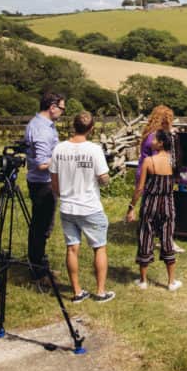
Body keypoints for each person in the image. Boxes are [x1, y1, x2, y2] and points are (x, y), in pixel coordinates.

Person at [50, 111, 114, 303]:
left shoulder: (59, 149)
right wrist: (105, 180)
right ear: (91, 129)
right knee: (99, 247)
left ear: (73, 126)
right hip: (90, 206)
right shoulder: (94, 150)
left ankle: (77, 292)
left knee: (71, 249)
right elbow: (103, 179)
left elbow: (54, 181)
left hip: (68, 207)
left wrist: (63, 195)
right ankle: (100, 292)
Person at [126, 129, 180, 291]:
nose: (151, 142)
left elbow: (140, 188)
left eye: (154, 139)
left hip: (150, 205)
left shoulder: (149, 161)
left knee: (145, 238)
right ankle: (171, 282)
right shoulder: (174, 161)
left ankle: (143, 281)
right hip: (168, 205)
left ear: (161, 143)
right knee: (167, 239)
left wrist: (131, 207)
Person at [24, 91, 65, 282]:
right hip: (42, 184)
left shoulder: (43, 125)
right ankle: (37, 270)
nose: (62, 113)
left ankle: (38, 263)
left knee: (41, 225)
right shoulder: (41, 129)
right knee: (41, 226)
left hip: (42, 182)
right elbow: (41, 163)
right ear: (53, 107)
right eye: (62, 108)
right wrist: (63, 156)